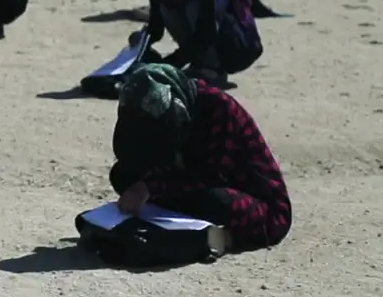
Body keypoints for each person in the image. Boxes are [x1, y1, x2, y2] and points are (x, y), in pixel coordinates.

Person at [107, 64, 292, 253]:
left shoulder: (219, 108)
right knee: (123, 176)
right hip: (191, 184)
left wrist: (150, 187)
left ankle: (215, 237)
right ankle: (170, 218)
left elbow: (210, 175)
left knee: (215, 201)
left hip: (258, 208)